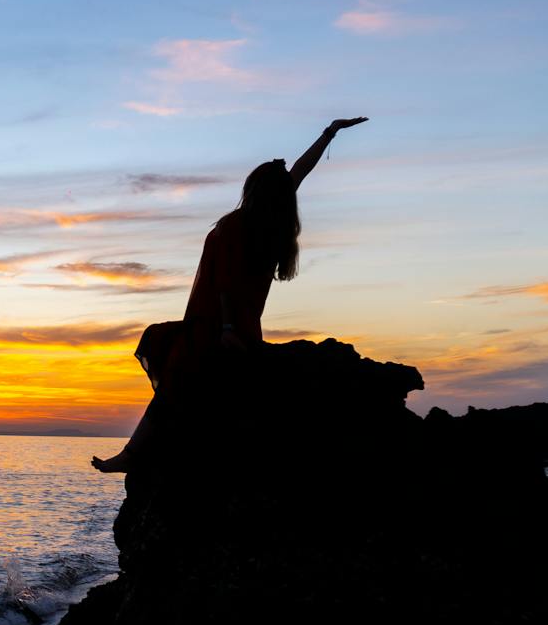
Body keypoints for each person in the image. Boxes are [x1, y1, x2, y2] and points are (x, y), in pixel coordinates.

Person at [91, 117, 369, 473]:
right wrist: (329, 133)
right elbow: (298, 173)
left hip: (218, 325)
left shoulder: (242, 225)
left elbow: (225, 282)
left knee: (176, 376)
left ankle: (134, 455)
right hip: (235, 325)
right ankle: (144, 453)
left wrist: (225, 329)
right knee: (181, 378)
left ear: (254, 191)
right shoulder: (269, 225)